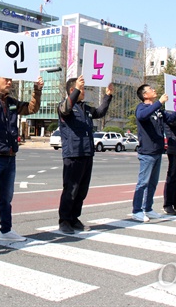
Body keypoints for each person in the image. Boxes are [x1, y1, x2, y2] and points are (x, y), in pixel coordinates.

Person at [0, 69, 43, 247]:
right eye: (6, 79)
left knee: (7, 197)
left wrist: (37, 90)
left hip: (10, 156)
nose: (10, 83)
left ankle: (6, 230)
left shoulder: (11, 102)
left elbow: (31, 108)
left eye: (11, 80)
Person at [57, 75, 113, 234]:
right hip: (73, 153)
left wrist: (108, 96)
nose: (84, 92)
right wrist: (76, 91)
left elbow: (100, 112)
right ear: (72, 90)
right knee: (71, 189)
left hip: (87, 152)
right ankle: (65, 220)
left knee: (82, 190)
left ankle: (74, 218)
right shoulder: (65, 106)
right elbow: (65, 108)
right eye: (82, 89)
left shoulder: (85, 108)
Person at [131, 84, 173, 222]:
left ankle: (148, 208)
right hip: (147, 152)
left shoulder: (158, 110)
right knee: (143, 182)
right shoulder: (141, 108)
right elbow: (142, 116)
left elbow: (171, 119)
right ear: (144, 95)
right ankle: (137, 210)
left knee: (153, 183)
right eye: (151, 89)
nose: (154, 90)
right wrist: (159, 102)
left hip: (157, 151)